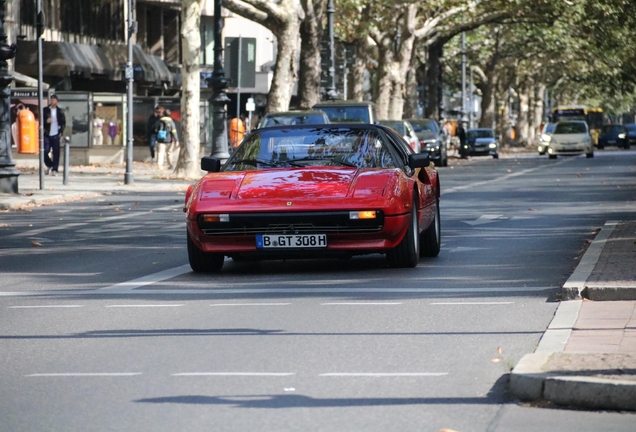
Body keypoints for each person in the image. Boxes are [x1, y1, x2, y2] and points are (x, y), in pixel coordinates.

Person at [43, 95, 66, 176]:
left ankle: (54, 169)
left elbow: (63, 122)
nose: (53, 101)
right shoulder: (45, 110)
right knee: (44, 151)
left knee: (56, 152)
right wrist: (46, 121)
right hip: (47, 133)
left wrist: (61, 132)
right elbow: (41, 120)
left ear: (57, 101)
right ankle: (50, 164)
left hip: (56, 134)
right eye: (51, 100)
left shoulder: (60, 111)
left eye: (54, 100)